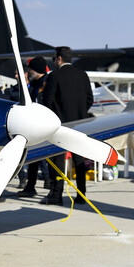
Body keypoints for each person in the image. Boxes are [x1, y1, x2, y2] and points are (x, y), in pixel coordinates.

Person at [41, 47, 93, 205]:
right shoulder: (82, 75)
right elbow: (89, 99)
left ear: (59, 59)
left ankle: (57, 195)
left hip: (60, 125)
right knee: (79, 161)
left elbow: (47, 101)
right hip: (80, 123)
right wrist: (80, 113)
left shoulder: (54, 75)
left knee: (58, 161)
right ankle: (81, 194)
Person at [18, 56, 51, 197]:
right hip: (34, 126)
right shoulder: (34, 84)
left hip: (45, 125)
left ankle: (50, 183)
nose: (29, 71)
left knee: (49, 157)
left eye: (31, 69)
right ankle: (31, 186)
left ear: (36, 70)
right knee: (34, 159)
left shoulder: (47, 83)